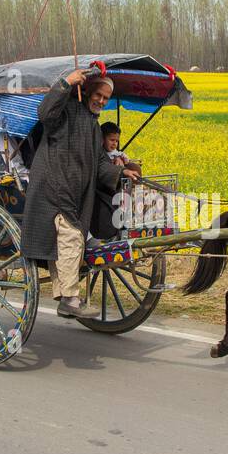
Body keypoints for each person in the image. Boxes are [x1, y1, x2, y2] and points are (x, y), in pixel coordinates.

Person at [19, 69, 141, 318]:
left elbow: (99, 163)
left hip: (75, 192)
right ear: (86, 91)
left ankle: (65, 296)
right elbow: (44, 113)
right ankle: (70, 298)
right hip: (53, 186)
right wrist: (65, 83)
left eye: (106, 98)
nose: (102, 101)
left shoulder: (93, 126)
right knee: (73, 236)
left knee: (65, 241)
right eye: (98, 94)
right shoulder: (66, 112)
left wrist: (121, 174)